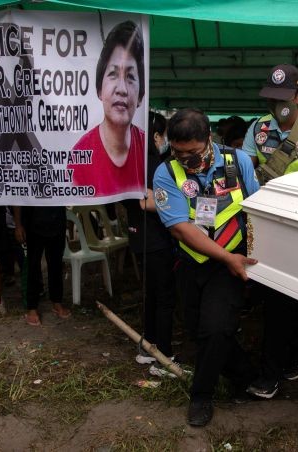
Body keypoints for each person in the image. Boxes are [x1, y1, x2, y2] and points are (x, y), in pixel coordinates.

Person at [152, 108, 259, 427]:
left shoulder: (237, 161)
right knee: (203, 330)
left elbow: (257, 207)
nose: (186, 159)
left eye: (193, 152)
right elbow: (180, 227)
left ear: (208, 139)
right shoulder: (166, 173)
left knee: (215, 327)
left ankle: (201, 395)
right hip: (192, 262)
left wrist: (248, 258)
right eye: (178, 152)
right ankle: (247, 375)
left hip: (231, 261)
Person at [243, 64, 298, 399]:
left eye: (283, 100)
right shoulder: (258, 128)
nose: (276, 106)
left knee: (281, 299)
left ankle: (271, 372)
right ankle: (296, 352)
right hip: (262, 224)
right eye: (271, 99)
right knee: (276, 297)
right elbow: (247, 173)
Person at [69, 20, 145, 197]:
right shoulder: (79, 156)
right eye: (112, 74)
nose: (121, 89)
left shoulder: (146, 148)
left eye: (131, 77)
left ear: (141, 95)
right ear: (99, 89)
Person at [128, 112, 178, 378]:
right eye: (164, 135)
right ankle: (164, 356)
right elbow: (147, 202)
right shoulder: (155, 165)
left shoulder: (132, 163)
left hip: (139, 237)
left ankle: (147, 347)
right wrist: (178, 203)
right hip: (156, 239)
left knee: (150, 295)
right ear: (156, 136)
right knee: (164, 298)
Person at [13, 206, 70, 325]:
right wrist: (18, 225)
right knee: (33, 266)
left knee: (56, 263)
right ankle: (32, 307)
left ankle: (57, 301)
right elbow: (16, 195)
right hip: (32, 221)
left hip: (57, 220)